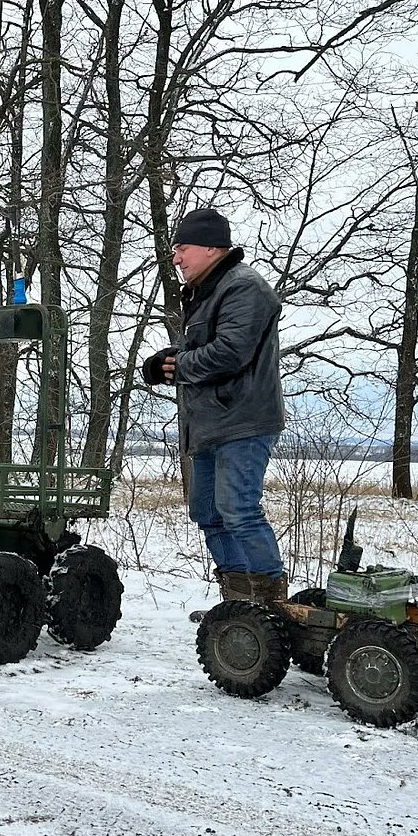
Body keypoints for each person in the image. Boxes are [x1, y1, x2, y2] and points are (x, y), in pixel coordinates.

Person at [142, 208, 287, 602]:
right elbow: (197, 350)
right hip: (208, 423)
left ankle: (270, 606)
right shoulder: (206, 291)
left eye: (182, 248)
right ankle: (240, 605)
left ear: (210, 248)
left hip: (243, 420)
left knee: (238, 510)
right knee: (207, 513)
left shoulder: (244, 287)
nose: (176, 258)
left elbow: (230, 353)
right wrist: (163, 361)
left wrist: (178, 367)